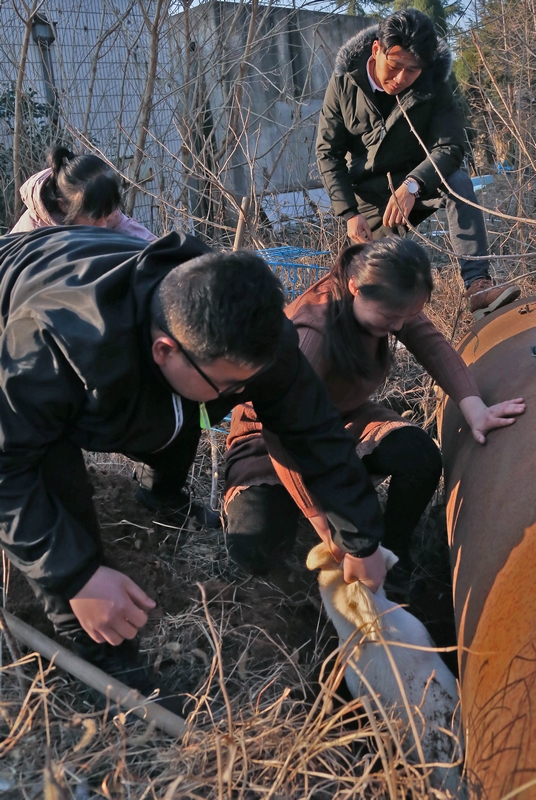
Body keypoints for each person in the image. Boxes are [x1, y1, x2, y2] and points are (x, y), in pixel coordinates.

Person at [0, 225, 388, 705]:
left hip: (114, 316)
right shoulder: (53, 347)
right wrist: (74, 575)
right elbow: (8, 467)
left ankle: (161, 497)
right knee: (53, 469)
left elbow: (312, 427)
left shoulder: (242, 324)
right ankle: (105, 662)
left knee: (183, 410)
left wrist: (361, 536)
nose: (240, 398)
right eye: (230, 386)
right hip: (20, 305)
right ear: (165, 350)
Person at [224, 238, 525, 593]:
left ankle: (394, 554)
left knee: (419, 455)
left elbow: (431, 343)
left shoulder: (390, 296)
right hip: (269, 442)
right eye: (389, 319)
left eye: (405, 317)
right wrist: (324, 523)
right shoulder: (313, 333)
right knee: (256, 545)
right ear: (355, 288)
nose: (398, 327)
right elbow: (284, 435)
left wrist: (474, 406)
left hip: (343, 419)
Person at [316, 8, 520, 319]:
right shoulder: (345, 83)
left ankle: (477, 286)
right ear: (376, 50)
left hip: (420, 181)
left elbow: (450, 146)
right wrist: (349, 213)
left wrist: (412, 184)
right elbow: (328, 152)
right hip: (368, 199)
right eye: (395, 66)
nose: (400, 79)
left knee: (460, 182)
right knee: (374, 293)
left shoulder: (435, 82)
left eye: (412, 71)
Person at [10, 146, 156, 242]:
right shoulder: (32, 234)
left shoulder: (103, 210)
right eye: (93, 218)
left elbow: (138, 236)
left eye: (107, 214)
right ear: (64, 205)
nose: (103, 224)